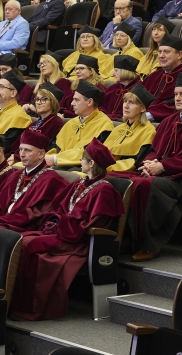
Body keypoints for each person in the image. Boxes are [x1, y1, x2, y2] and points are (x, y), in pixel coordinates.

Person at [110, 73, 182, 261]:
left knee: (144, 185)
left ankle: (147, 244)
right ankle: (124, 238)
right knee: (115, 179)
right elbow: (155, 149)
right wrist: (151, 163)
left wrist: (163, 166)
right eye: (176, 94)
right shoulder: (169, 120)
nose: (177, 98)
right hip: (161, 173)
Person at [10, 138, 123, 321]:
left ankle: (33, 308)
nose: (80, 162)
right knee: (19, 239)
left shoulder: (104, 191)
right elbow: (58, 209)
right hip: (61, 233)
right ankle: (15, 302)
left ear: (91, 163)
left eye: (82, 159)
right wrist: (55, 221)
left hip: (78, 241)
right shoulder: (80, 183)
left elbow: (93, 224)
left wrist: (61, 224)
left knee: (29, 245)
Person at [0, 130, 68, 231]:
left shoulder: (53, 180)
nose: (22, 154)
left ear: (41, 153)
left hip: (22, 227)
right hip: (2, 222)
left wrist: (1, 220)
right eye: (20, 149)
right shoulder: (16, 175)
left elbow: (38, 213)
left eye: (27, 150)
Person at [42, 82, 112, 168]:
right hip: (58, 163)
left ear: (89, 102)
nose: (72, 103)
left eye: (76, 100)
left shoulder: (104, 125)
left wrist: (57, 159)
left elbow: (90, 153)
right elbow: (56, 146)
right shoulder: (72, 122)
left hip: (81, 167)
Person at [102, 85, 158, 172]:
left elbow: (136, 162)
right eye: (125, 101)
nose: (126, 106)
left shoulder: (149, 131)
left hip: (123, 172)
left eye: (132, 103)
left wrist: (105, 168)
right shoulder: (118, 128)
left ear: (143, 108)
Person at [143, 35, 182, 122]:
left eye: (166, 52)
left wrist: (149, 115)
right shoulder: (153, 76)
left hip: (166, 123)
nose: (161, 56)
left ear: (179, 55)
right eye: (160, 52)